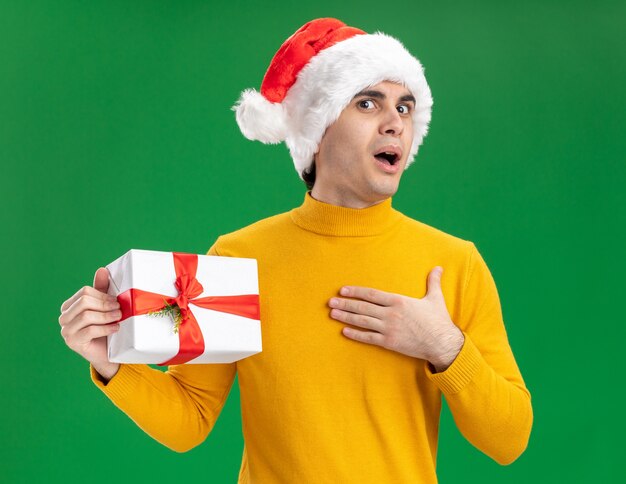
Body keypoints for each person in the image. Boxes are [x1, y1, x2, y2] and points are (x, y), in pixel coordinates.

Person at [59, 18, 533, 483]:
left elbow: (509, 439)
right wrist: (110, 360)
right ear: (318, 129)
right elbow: (190, 417)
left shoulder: (453, 263)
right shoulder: (238, 259)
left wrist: (444, 346)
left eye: (405, 108)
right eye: (369, 103)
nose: (395, 124)